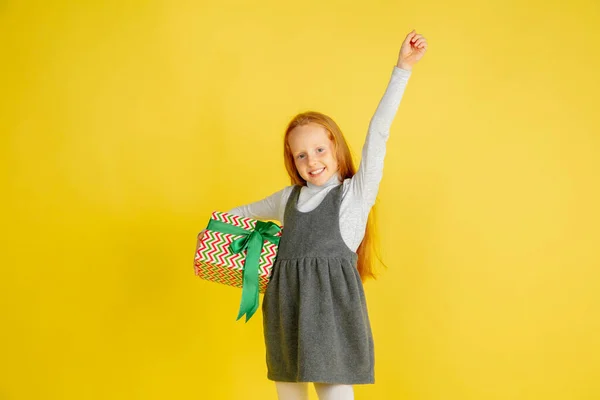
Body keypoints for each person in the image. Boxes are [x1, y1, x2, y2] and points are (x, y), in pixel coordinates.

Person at [198, 30, 428, 400]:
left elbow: (379, 133)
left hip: (332, 323)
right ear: (293, 161)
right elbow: (238, 214)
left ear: (335, 147)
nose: (312, 161)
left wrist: (402, 69)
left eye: (319, 149)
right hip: (285, 316)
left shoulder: (354, 195)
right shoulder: (288, 198)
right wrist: (226, 238)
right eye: (300, 155)